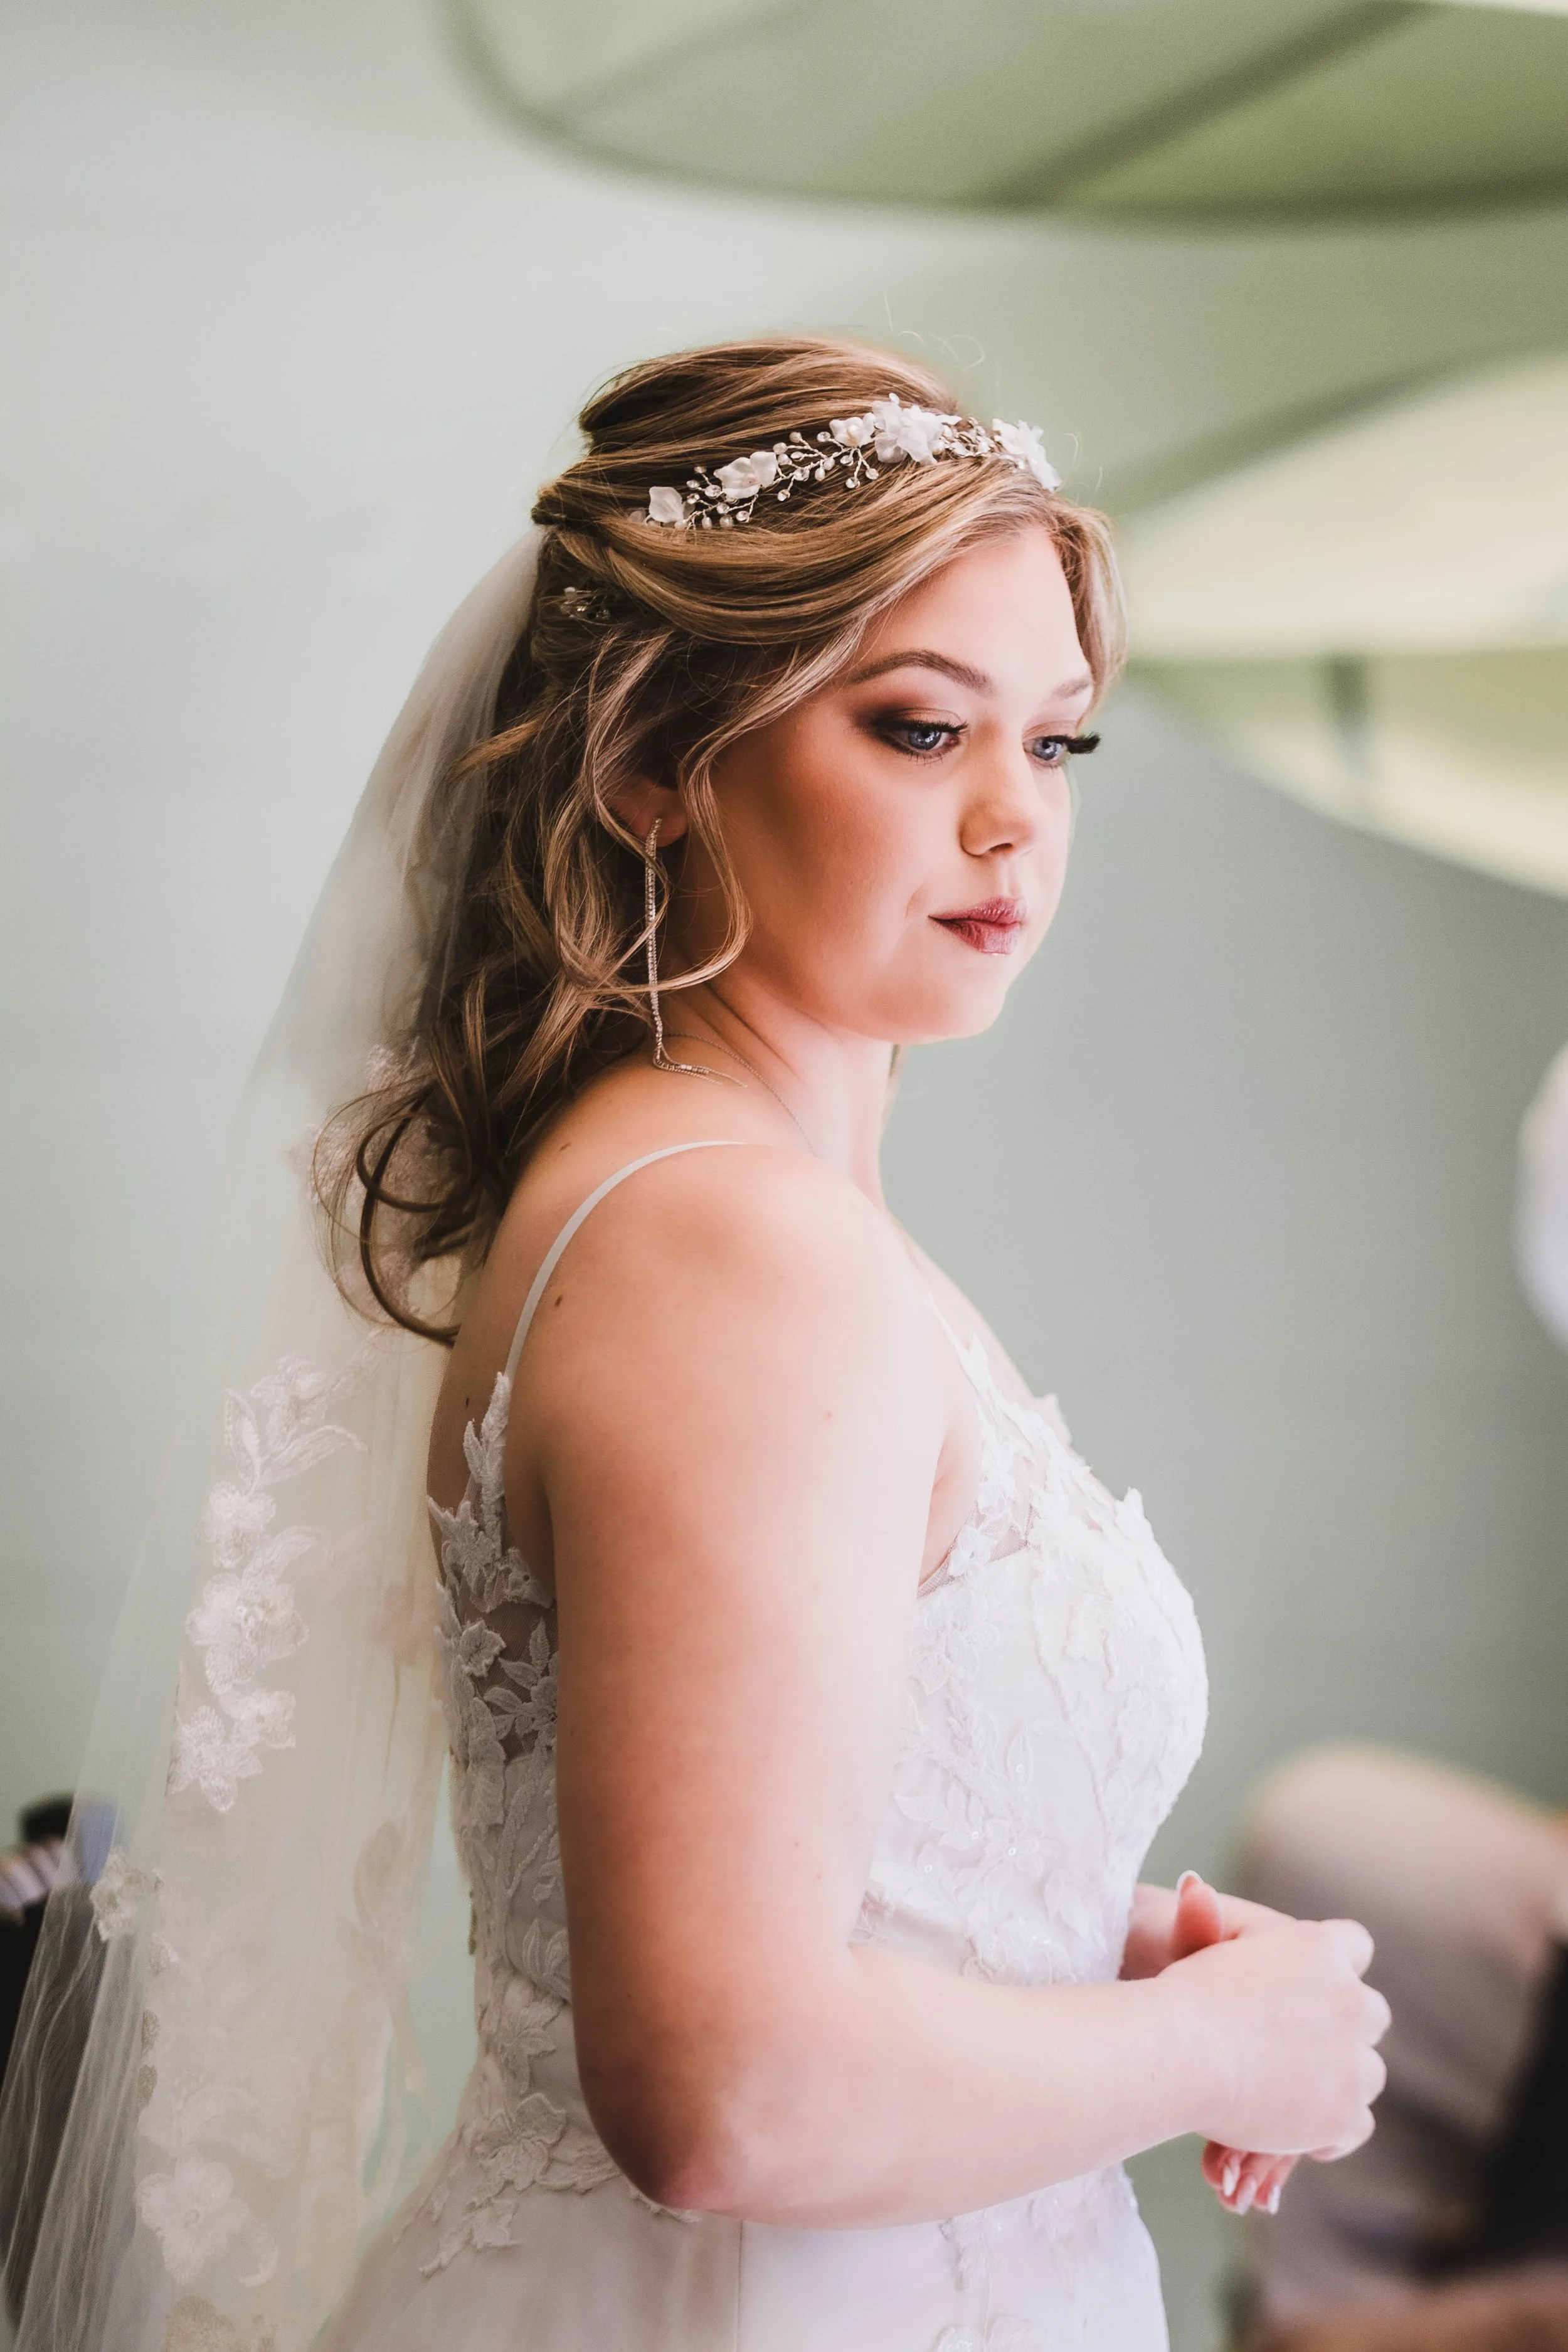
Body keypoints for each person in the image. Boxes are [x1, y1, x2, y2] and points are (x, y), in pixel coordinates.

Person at [0, 339, 1389, 2352]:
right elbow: (716, 2082)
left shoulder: (722, 1208)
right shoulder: (731, 1253)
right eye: (920, 729)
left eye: (1058, 744)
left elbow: (788, 1859)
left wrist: (1092, 1942)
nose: (1015, 818)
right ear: (654, 756)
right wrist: (1209, 2056)